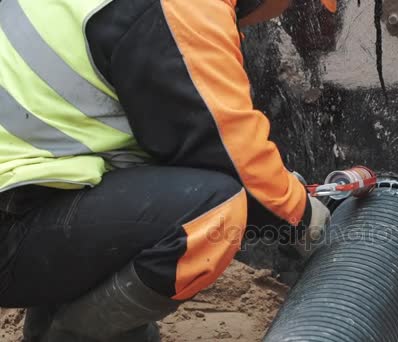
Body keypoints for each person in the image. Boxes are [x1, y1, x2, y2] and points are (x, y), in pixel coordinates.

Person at [0, 0, 335, 340]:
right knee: (217, 211)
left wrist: (276, 189)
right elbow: (226, 153)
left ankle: (57, 324)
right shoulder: (184, 6)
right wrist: (303, 218)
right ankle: (68, 336)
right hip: (14, 224)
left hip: (23, 206)